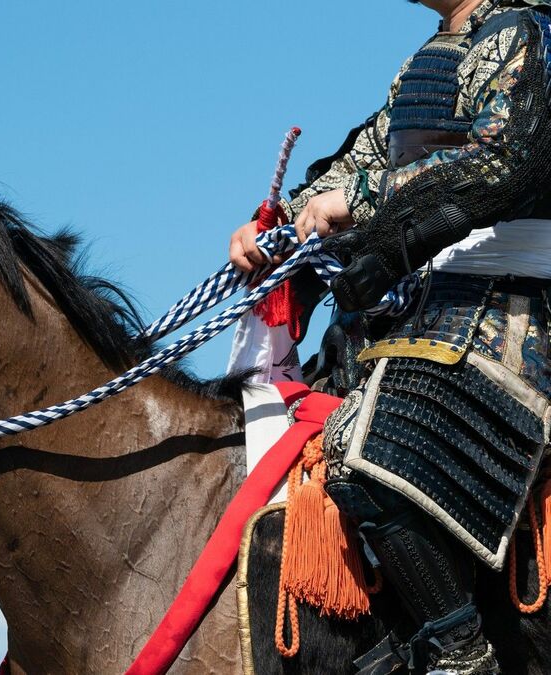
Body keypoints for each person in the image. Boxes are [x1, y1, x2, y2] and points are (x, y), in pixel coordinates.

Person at [229, 0, 551, 672]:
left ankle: (462, 652)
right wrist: (276, 227)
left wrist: (365, 198)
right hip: (427, 314)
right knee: (303, 454)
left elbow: (506, 160)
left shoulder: (527, 31)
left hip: (512, 313)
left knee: (358, 450)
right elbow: (361, 161)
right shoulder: (435, 56)